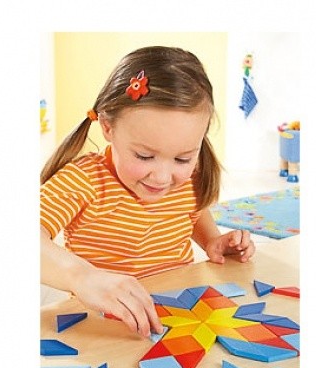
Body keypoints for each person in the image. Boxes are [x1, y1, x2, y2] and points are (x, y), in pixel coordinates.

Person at [40, 46, 255, 339]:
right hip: (106, 325)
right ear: (108, 127)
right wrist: (82, 277)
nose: (163, 177)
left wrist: (212, 241)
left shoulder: (188, 178)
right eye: (144, 156)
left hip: (179, 315)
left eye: (182, 158)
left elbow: (191, 210)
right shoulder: (83, 180)